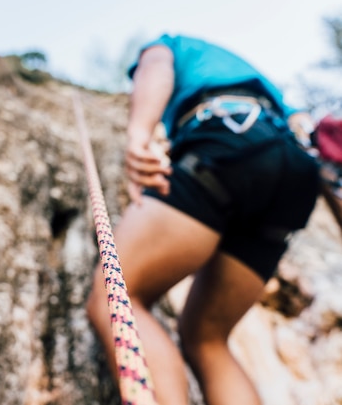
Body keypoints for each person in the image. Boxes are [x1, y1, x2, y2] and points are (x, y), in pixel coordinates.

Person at [85, 33, 321, 405]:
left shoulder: (171, 43)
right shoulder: (265, 87)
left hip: (228, 144)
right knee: (207, 339)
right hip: (294, 176)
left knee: (117, 296)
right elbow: (304, 129)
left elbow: (156, 68)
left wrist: (138, 134)